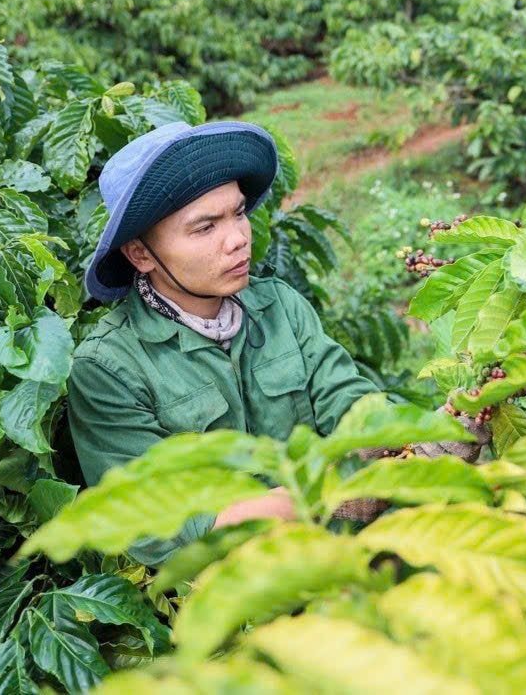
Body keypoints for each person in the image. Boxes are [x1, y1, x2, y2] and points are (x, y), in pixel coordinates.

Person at [69, 121, 381, 563]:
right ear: (140, 254)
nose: (238, 239)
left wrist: (398, 441)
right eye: (205, 228)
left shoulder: (281, 307)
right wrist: (329, 491)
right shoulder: (107, 368)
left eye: (238, 213)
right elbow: (164, 527)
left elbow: (351, 400)